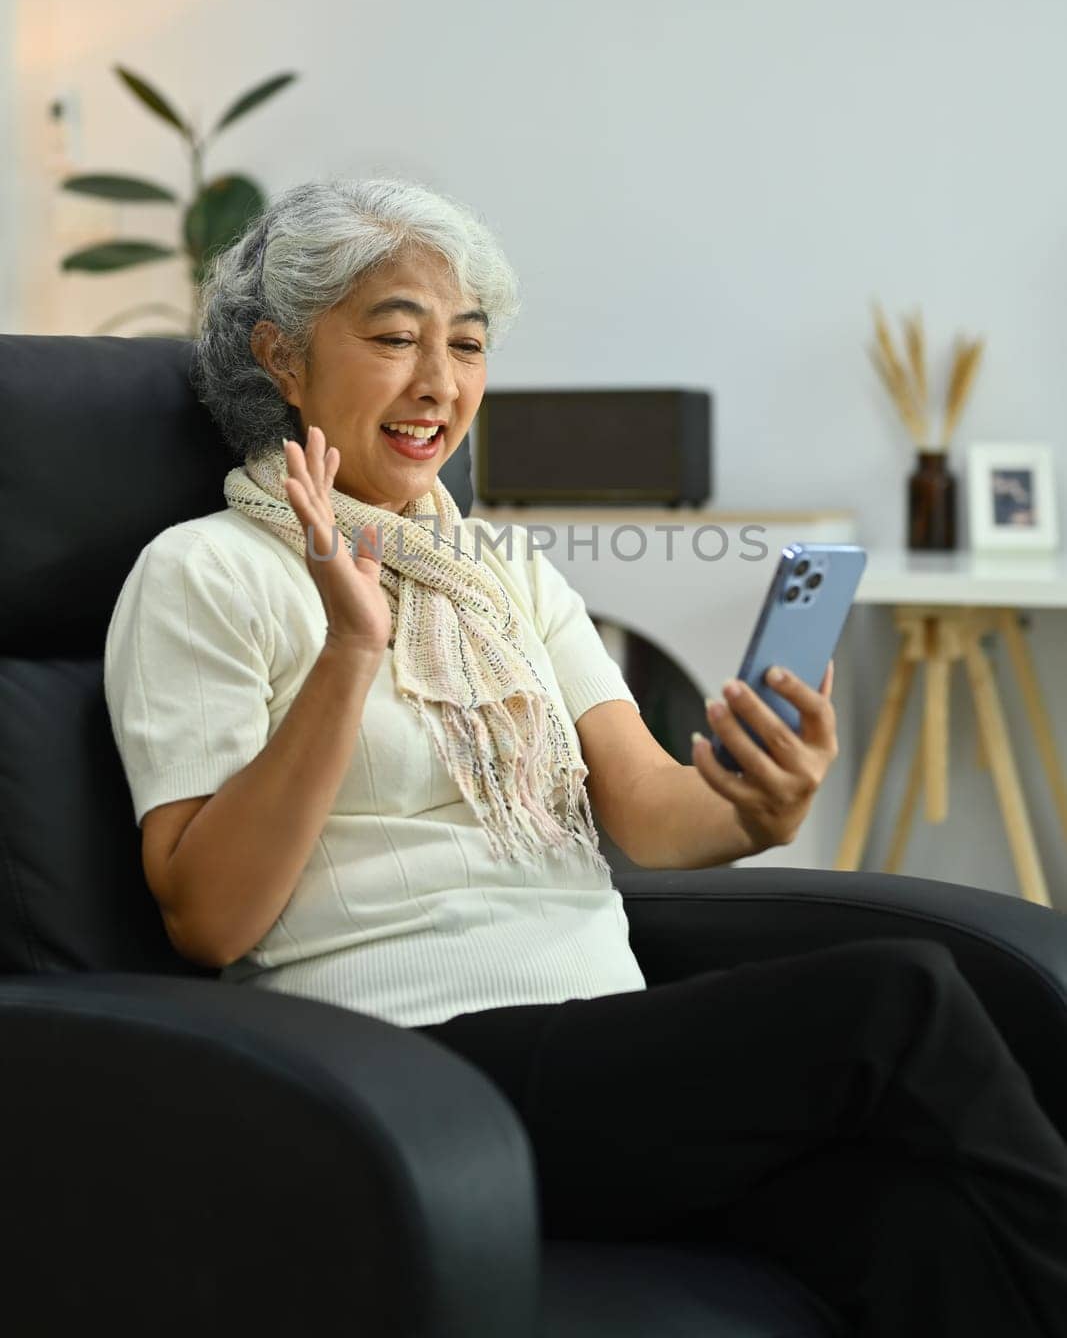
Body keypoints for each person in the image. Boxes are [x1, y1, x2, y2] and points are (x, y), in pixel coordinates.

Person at [104, 176, 1067, 1337]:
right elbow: (207, 917)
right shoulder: (203, 572)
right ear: (281, 355)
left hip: (594, 1044)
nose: (438, 384)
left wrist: (758, 807)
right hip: (403, 1073)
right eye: (395, 335)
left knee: (913, 1222)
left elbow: (656, 817)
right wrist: (349, 650)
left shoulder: (506, 576)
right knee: (896, 995)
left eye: (465, 344)